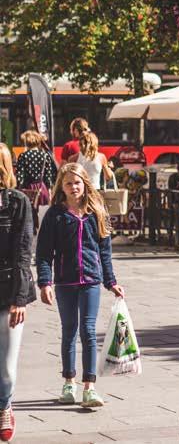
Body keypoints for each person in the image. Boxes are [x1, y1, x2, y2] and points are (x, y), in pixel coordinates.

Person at [36, 163, 124, 410]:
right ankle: (68, 382)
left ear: (85, 183)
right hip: (65, 281)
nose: (74, 187)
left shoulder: (96, 212)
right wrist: (45, 282)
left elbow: (104, 252)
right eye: (68, 183)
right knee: (69, 331)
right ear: (61, 187)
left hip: (91, 281)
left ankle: (89, 386)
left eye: (77, 182)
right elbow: (44, 254)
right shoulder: (55, 215)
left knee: (88, 331)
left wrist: (111, 282)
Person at [0, 144, 35, 440]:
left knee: (7, 366)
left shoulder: (17, 201)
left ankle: (5, 405)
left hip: (8, 290)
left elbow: (25, 250)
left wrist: (20, 298)